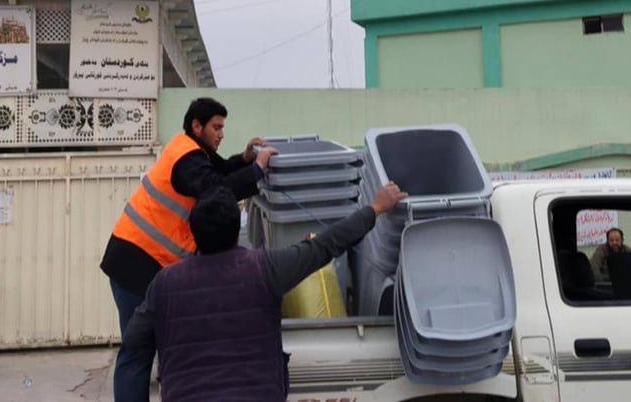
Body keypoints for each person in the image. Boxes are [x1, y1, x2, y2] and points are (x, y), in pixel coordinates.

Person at [123, 181, 409, 402]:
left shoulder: (165, 283)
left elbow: (134, 346)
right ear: (237, 229)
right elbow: (324, 246)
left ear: (193, 232)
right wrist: (375, 208)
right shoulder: (264, 268)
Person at [100, 97, 278, 401]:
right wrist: (257, 172)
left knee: (150, 346)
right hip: (135, 261)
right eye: (216, 127)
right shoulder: (185, 159)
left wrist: (246, 159)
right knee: (137, 349)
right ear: (197, 126)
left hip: (147, 262)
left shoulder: (194, 152)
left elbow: (220, 171)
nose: (221, 133)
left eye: (223, 127)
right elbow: (217, 189)